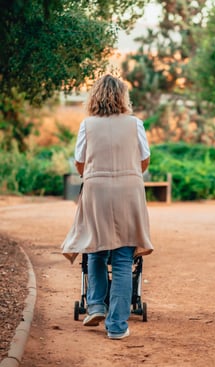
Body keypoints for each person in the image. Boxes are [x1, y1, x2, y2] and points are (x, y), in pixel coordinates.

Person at [61, 74, 154, 340]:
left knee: (96, 250)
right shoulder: (135, 124)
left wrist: (92, 172)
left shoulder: (87, 125)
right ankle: (116, 326)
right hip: (129, 190)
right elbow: (144, 159)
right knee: (124, 259)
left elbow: (79, 161)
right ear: (123, 97)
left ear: (95, 97)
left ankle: (96, 305)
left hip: (97, 190)